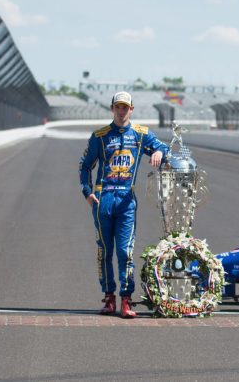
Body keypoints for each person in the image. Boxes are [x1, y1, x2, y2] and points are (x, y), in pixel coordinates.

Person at [79, 92, 170, 318]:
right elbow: (84, 166)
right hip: (103, 199)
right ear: (112, 108)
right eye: (118, 107)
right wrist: (88, 193)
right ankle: (109, 298)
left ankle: (126, 300)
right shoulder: (100, 136)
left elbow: (164, 148)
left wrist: (158, 151)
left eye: (125, 107)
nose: (122, 111)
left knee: (125, 251)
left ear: (132, 109)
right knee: (104, 251)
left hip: (126, 200)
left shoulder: (140, 134)